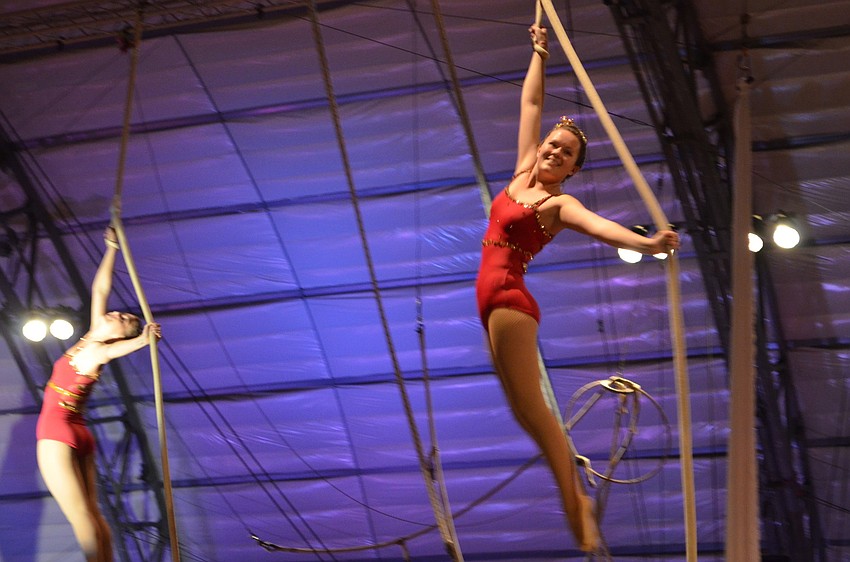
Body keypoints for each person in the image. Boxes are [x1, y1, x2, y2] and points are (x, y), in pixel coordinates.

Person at [475, 25, 679, 552]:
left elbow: (601, 227)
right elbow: (532, 102)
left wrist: (652, 244)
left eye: (565, 154)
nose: (553, 153)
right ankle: (576, 504)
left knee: (538, 418)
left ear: (572, 170)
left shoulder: (559, 205)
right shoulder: (522, 172)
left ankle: (580, 510)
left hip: (511, 305)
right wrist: (539, 51)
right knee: (525, 415)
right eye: (552, 145)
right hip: (492, 306)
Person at [35, 226, 161, 562]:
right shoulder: (92, 335)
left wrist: (142, 339)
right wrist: (110, 248)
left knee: (81, 517)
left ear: (118, 336)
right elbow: (100, 288)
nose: (118, 314)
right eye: (122, 313)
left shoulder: (98, 351)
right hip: (76, 433)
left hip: (57, 433)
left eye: (124, 319)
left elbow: (111, 353)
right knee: (92, 513)